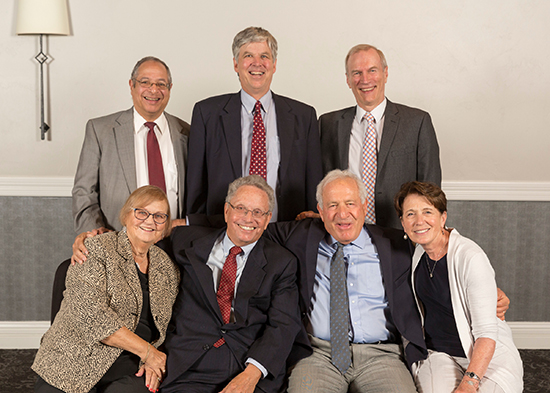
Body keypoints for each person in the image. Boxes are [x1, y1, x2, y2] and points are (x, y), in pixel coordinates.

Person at [264, 170, 510, 392]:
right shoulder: (301, 235)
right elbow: (249, 228)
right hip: (317, 354)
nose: (342, 213)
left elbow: (438, 244)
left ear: (364, 204)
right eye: (332, 205)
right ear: (320, 210)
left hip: (382, 355)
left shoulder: (396, 243)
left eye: (350, 203)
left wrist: (484, 288)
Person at [161, 175, 304, 393]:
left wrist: (251, 374)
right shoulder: (185, 240)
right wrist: (92, 239)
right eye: (241, 209)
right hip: (191, 364)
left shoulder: (282, 263)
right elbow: (139, 239)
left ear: (267, 220)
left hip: (247, 364)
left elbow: (284, 324)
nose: (249, 218)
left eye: (258, 212)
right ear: (227, 211)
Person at [33, 186, 180, 393]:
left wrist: (152, 358)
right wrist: (149, 352)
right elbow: (92, 317)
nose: (150, 221)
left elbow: (167, 326)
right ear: (126, 215)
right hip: (77, 355)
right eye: (142, 212)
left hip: (131, 365)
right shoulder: (95, 249)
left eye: (159, 216)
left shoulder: (167, 268)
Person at [394, 181, 523, 393]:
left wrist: (469, 384)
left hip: (486, 355)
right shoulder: (417, 254)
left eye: (427, 211)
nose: (419, 221)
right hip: (440, 354)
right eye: (410, 214)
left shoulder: (471, 257)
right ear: (402, 222)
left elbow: (486, 333)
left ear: (443, 217)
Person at [186, 26, 323, 223]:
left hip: (286, 233)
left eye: (264, 56)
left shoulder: (304, 116)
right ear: (236, 64)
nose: (257, 63)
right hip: (223, 232)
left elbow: (314, 187)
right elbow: (196, 187)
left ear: (274, 64)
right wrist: (197, 233)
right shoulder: (206, 113)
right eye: (248, 55)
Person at [72, 56, 189, 263]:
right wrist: (95, 234)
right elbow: (84, 192)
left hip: (175, 248)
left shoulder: (187, 133)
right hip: (116, 246)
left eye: (161, 84)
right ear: (132, 85)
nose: (154, 90)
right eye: (145, 82)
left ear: (170, 88)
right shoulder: (101, 130)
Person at [315, 44, 441, 229]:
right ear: (348, 79)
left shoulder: (417, 122)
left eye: (372, 70)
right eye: (356, 73)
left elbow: (431, 190)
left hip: (399, 234)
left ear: (385, 73)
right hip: (345, 232)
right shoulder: (328, 124)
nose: (365, 79)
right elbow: (320, 182)